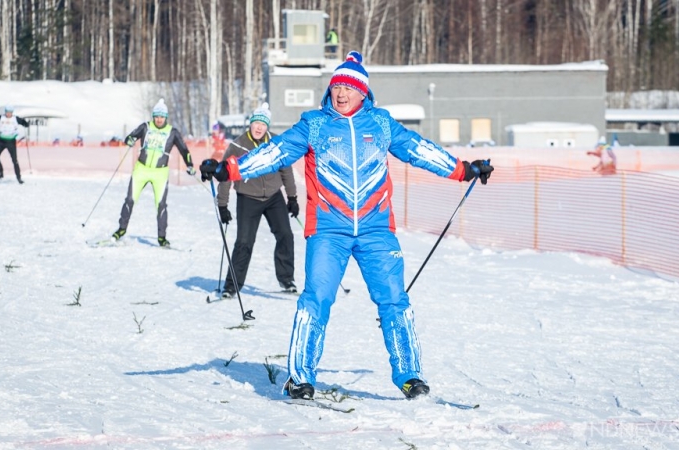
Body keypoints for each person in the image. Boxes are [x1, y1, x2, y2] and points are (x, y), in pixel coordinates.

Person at [200, 51, 493, 400]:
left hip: (376, 229)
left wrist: (463, 170)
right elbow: (275, 152)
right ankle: (300, 378)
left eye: (348, 88)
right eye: (336, 86)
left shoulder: (381, 124)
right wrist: (228, 170)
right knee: (316, 299)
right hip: (328, 229)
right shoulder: (315, 124)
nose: (341, 93)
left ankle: (410, 376)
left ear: (363, 92)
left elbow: (418, 149)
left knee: (395, 300)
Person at [216, 102, 299, 299]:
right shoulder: (237, 146)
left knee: (286, 235)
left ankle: (287, 279)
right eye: (256, 123)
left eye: (263, 124)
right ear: (251, 124)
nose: (259, 128)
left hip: (273, 196)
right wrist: (223, 205)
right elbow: (225, 175)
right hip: (248, 197)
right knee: (244, 242)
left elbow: (286, 169)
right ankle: (231, 285)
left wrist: (292, 197)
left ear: (267, 126)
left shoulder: (275, 143)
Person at [112, 99, 196, 247]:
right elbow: (130, 137)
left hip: (160, 174)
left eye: (162, 117)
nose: (159, 119)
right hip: (141, 170)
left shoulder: (172, 132)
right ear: (153, 116)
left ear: (166, 117)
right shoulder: (145, 127)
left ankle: (162, 238)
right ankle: (121, 230)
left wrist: (189, 165)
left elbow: (184, 150)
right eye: (156, 116)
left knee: (161, 205)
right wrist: (130, 140)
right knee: (130, 200)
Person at [0, 105, 30, 183]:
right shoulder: (1, 118)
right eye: (7, 112)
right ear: (5, 112)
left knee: (14, 160)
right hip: (1, 141)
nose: (8, 114)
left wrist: (25, 123)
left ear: (12, 113)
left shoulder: (15, 119)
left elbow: (23, 122)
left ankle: (19, 177)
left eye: (10, 112)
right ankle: (1, 173)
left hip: (11, 142)